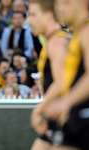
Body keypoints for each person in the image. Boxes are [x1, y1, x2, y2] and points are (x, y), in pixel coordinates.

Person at [43, 0, 89, 149]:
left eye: (66, 2)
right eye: (58, 3)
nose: (59, 8)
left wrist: (65, 103)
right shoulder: (78, 33)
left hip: (87, 115)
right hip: (77, 114)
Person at [27, 0, 69, 149]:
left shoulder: (57, 42)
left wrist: (39, 109)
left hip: (66, 117)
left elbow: (63, 81)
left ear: (49, 15)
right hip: (56, 115)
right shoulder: (53, 41)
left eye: (33, 14)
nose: (29, 20)